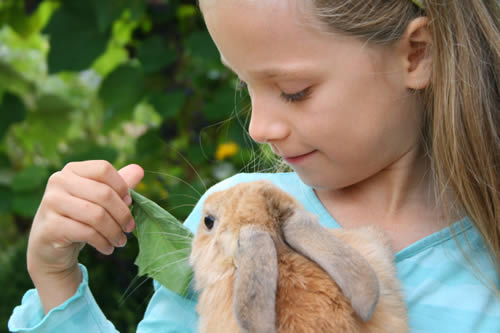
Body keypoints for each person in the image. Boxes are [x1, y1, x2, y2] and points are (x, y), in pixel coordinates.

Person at [8, 0, 500, 332]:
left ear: (416, 53)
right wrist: (56, 282)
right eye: (245, 87)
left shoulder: (486, 251)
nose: (259, 127)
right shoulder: (225, 220)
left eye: (293, 91)